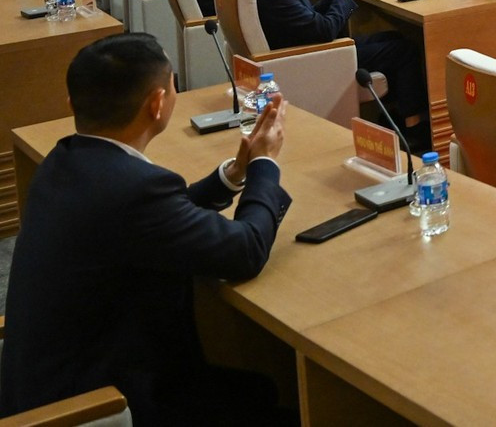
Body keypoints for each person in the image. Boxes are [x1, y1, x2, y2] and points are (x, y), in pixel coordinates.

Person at [0, 32, 290, 425]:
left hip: (38, 384)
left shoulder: (63, 160)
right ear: (157, 104)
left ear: (73, 103)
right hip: (96, 405)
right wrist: (265, 166)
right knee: (269, 401)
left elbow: (148, 220)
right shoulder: (134, 189)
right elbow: (246, 250)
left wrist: (234, 174)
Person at [240, 0, 432, 152]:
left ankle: (396, 115)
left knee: (393, 37)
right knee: (403, 51)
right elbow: (324, 30)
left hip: (303, 46)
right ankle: (413, 129)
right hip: (311, 59)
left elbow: (309, 16)